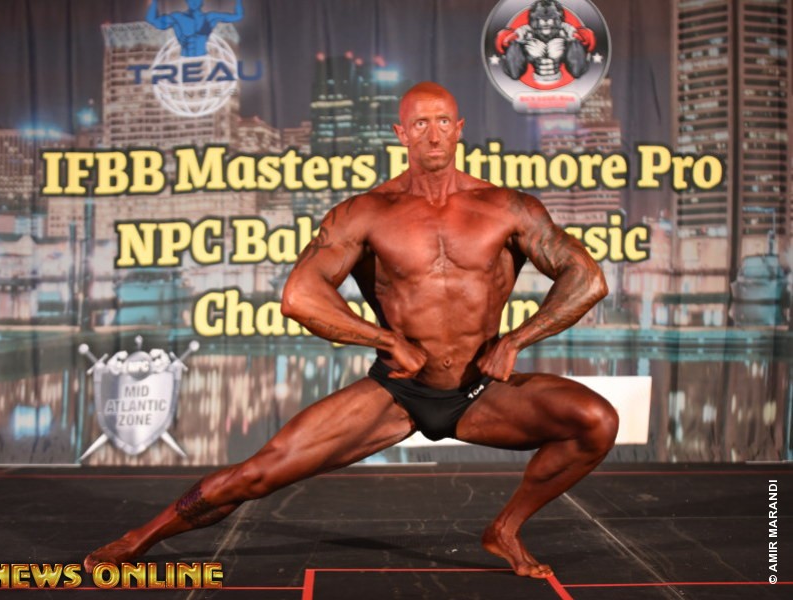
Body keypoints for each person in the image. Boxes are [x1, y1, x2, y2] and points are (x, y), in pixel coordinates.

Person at [84, 82, 618, 579]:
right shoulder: (366, 212)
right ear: (401, 133)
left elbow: (587, 278)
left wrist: (517, 339)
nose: (433, 134)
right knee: (257, 474)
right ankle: (138, 539)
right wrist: (384, 339)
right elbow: (300, 295)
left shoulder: (507, 207)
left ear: (459, 129)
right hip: (397, 392)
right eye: (420, 124)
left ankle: (505, 529)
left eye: (442, 122)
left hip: (482, 389)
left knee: (595, 422)